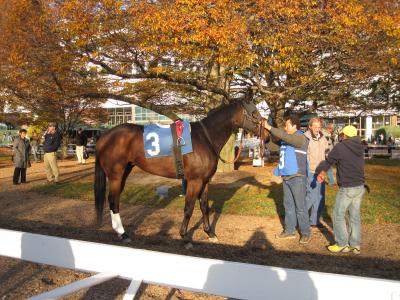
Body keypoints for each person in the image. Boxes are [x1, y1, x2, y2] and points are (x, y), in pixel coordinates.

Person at [316, 125, 365, 254]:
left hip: (347, 187)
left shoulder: (341, 147)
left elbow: (328, 161)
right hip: (360, 186)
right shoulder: (360, 147)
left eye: (342, 134)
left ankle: (342, 243)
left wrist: (321, 173)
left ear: (345, 136)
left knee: (338, 214)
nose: (341, 136)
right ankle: (355, 245)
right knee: (354, 215)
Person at [263, 114, 311, 244]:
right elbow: (273, 146)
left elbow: (283, 136)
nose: (285, 127)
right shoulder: (286, 140)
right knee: (288, 206)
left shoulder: (301, 137)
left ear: (295, 126)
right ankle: (290, 231)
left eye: (287, 125)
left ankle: (305, 233)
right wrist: (265, 137)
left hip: (298, 177)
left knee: (300, 207)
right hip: (286, 177)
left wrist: (269, 126)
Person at [304, 118, 330, 228]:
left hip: (321, 171)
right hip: (311, 171)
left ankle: (314, 221)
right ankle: (300, 218)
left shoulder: (323, 137)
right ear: (310, 126)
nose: (317, 129)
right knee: (311, 196)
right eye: (315, 127)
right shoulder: (305, 137)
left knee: (320, 197)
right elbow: (303, 156)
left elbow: (327, 152)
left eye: (319, 127)